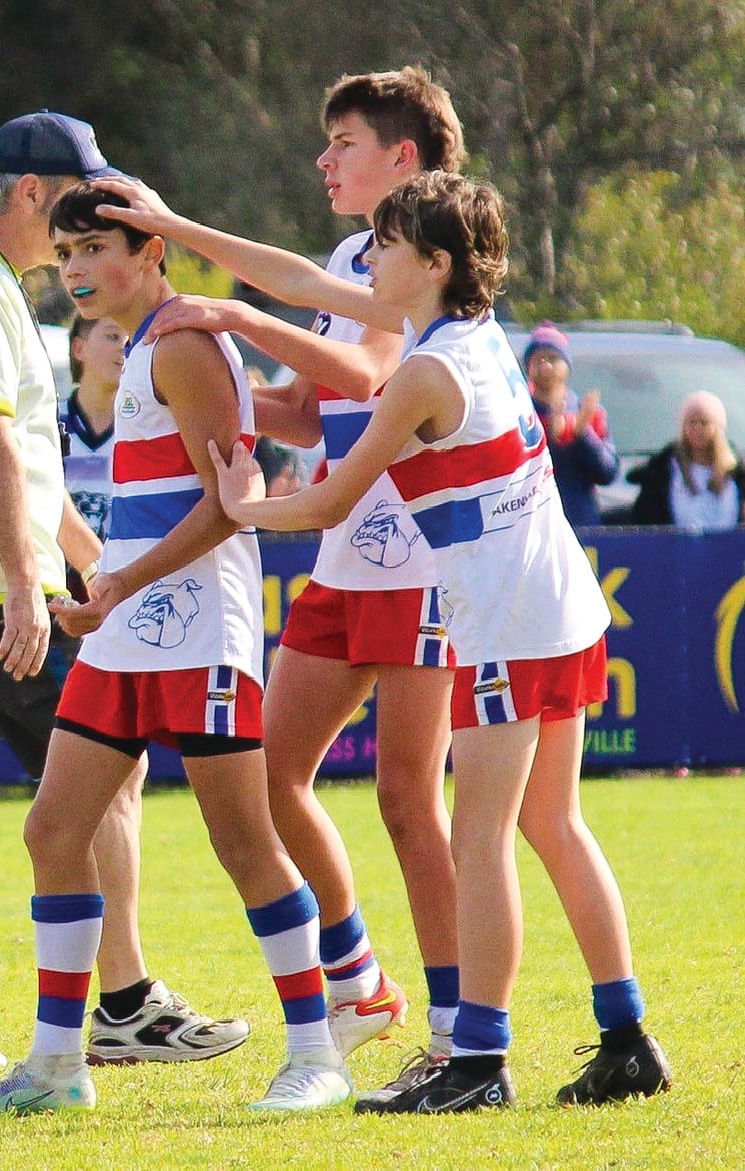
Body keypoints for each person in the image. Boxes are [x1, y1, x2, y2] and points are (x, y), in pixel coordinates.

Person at [208, 170, 671, 1113]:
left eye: (386, 244)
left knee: (483, 834)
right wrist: (187, 239)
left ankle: (479, 1061)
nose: (366, 258)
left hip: (505, 619)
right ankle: (626, 1037)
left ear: (433, 263)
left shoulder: (424, 369)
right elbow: (303, 284)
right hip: (561, 604)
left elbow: (333, 498)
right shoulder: (470, 334)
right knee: (553, 822)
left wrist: (243, 505)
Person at [0, 183, 352, 1118]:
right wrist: (110, 588)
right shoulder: (139, 347)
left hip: (202, 629)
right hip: (127, 633)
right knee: (51, 829)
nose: (76, 269)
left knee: (244, 842)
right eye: (68, 251)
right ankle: (54, 1065)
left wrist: (120, 582)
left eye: (95, 250)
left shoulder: (186, 343)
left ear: (151, 251)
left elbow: (227, 505)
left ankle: (318, 1051)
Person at [0, 112, 246, 1075]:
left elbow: (26, 461)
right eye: (74, 197)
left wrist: (88, 557)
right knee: (106, 766)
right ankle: (126, 1002)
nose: (86, 216)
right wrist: (30, 590)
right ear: (29, 193)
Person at [96, 68, 467, 1087]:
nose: (322, 159)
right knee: (274, 777)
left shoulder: (428, 258)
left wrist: (225, 314)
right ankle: (360, 984)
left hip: (426, 559)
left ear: (402, 157)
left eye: (341, 140)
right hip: (343, 555)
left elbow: (366, 374)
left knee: (406, 800)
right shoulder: (356, 254)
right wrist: (194, 383)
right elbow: (309, 410)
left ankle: (455, 1033)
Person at [523, 322, 618, 527]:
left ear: (567, 365)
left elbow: (608, 472)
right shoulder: (518, 413)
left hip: (580, 526)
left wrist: (582, 433)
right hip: (532, 526)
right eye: (538, 360)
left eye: (553, 358)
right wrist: (550, 438)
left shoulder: (590, 412)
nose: (546, 366)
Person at [629, 389, 745, 528]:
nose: (696, 429)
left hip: (729, 549)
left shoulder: (736, 473)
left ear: (718, 427)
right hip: (676, 548)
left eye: (704, 423)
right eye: (691, 422)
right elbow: (645, 524)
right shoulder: (662, 472)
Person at [60, 314, 128, 540]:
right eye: (113, 336)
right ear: (79, 349)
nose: (123, 347)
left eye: (130, 340)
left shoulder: (143, 428)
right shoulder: (49, 422)